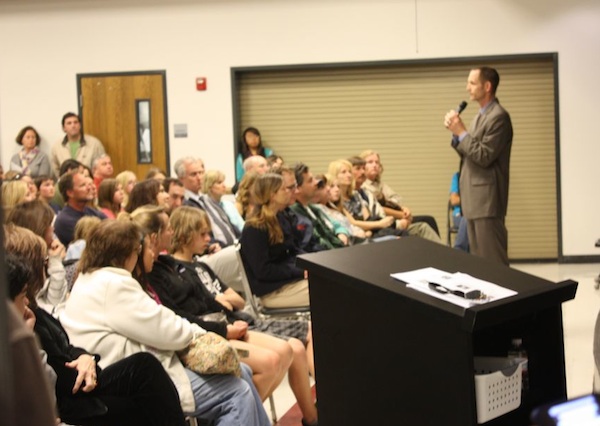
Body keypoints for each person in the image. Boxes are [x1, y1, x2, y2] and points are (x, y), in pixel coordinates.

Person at [60, 219, 271, 425]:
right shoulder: (113, 284)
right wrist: (200, 333)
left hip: (118, 371)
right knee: (238, 392)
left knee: (242, 371)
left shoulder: (89, 278)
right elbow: (166, 330)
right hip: (134, 380)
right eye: (141, 249)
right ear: (128, 253)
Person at [4, 227, 188, 426]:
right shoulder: (22, 320)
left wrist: (85, 357)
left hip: (81, 377)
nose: (48, 266)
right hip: (71, 397)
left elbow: (66, 345)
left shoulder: (30, 307)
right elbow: (55, 381)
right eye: (44, 261)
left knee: (145, 370)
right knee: (144, 381)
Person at [444, 66, 513, 265]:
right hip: (473, 201)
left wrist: (462, 132)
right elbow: (469, 154)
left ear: (488, 86)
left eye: (472, 83)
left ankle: (505, 297)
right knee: (480, 265)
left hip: (487, 202)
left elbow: (484, 156)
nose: (468, 88)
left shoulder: (499, 117)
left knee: (494, 263)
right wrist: (457, 134)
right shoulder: (479, 116)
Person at [240, 173, 310, 309]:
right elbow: (263, 270)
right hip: (272, 291)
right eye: (284, 189)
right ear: (272, 195)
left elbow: (293, 250)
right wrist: (299, 271)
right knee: (329, 290)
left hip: (289, 282)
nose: (290, 192)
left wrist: (311, 265)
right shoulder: (255, 228)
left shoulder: (280, 218)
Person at [359, 150, 441, 239]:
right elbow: (379, 208)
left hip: (394, 216)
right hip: (382, 220)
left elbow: (396, 199)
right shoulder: (363, 186)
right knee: (423, 225)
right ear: (363, 167)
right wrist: (401, 215)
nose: (374, 165)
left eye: (377, 162)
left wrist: (404, 209)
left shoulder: (380, 184)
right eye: (370, 162)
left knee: (429, 219)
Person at [290, 163, 349, 249]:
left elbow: (329, 232)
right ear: (298, 188)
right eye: (310, 181)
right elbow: (318, 242)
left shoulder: (312, 208)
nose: (316, 183)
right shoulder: (296, 212)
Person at [54, 170, 107, 246]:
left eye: (88, 184)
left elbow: (112, 228)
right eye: (83, 185)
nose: (89, 188)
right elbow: (95, 243)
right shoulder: (64, 220)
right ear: (70, 193)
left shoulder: (91, 211)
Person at [50, 112, 106, 178]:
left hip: (90, 183)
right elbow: (56, 170)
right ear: (64, 128)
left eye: (75, 122)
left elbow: (102, 166)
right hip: (67, 185)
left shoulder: (94, 143)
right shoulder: (57, 147)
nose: (73, 125)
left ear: (80, 125)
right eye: (69, 123)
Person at [201, 170, 243, 246]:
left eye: (223, 182)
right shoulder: (205, 205)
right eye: (219, 183)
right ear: (209, 186)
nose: (224, 186)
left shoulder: (225, 205)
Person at [449, 171, 469, 252]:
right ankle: (459, 250)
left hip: (476, 215)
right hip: (459, 215)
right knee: (468, 218)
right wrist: (472, 199)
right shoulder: (457, 177)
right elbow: (454, 200)